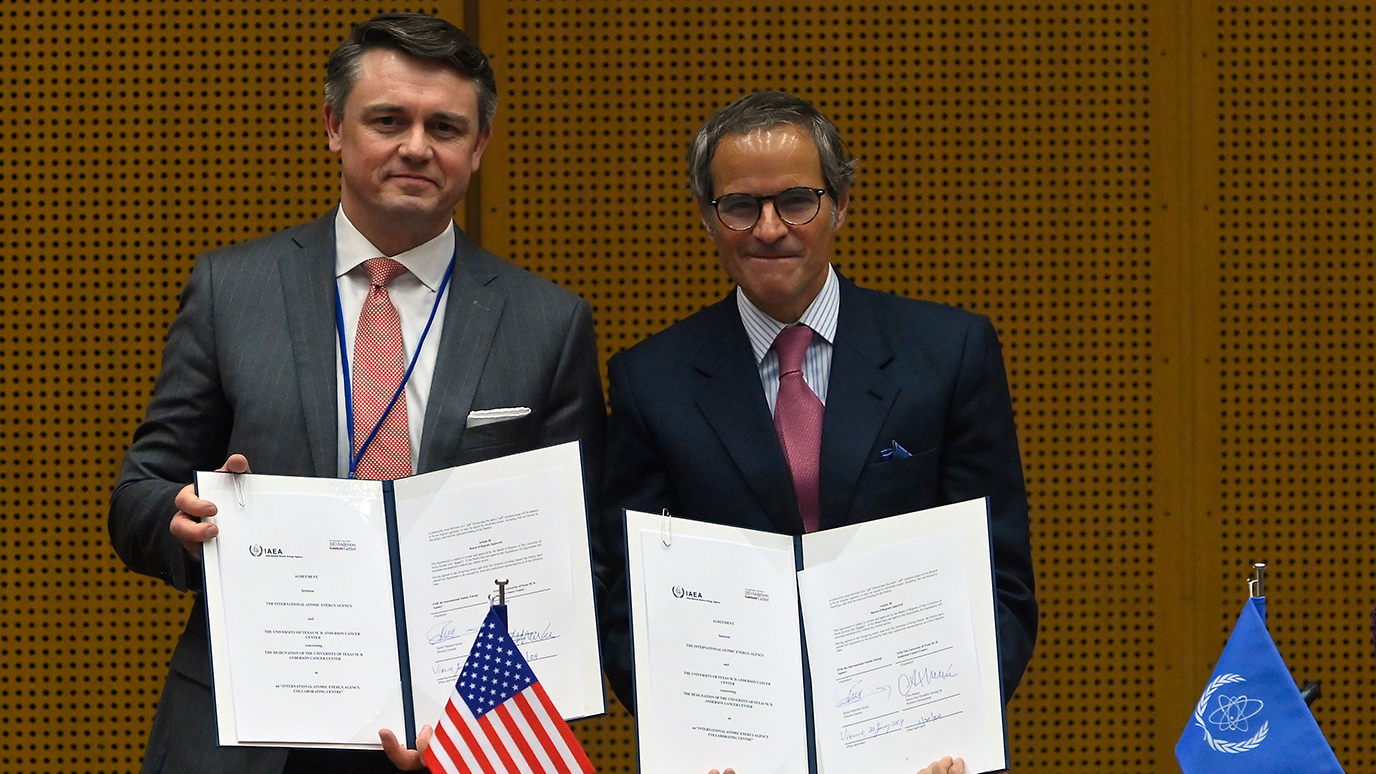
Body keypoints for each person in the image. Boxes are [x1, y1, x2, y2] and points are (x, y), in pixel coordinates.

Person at [108, 12, 605, 774]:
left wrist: (481, 709)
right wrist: (178, 519)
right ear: (335, 127)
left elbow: (579, 553)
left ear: (479, 147)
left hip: (455, 732)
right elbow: (137, 494)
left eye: (444, 126)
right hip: (253, 728)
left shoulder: (549, 323)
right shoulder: (232, 289)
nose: (416, 146)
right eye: (387, 120)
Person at [597, 90, 1037, 772]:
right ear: (707, 220)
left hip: (919, 754)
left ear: (840, 205)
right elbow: (621, 596)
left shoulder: (949, 354)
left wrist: (953, 723)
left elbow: (1000, 579)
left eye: (796, 200)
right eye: (741, 205)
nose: (770, 228)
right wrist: (692, 734)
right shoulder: (650, 381)